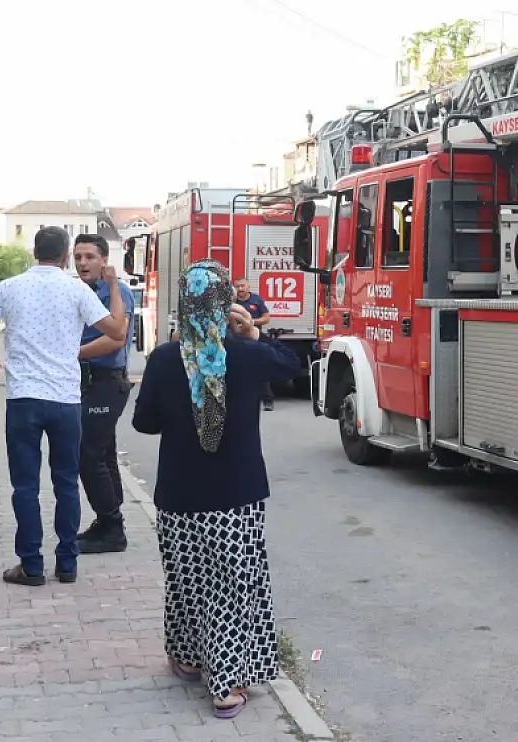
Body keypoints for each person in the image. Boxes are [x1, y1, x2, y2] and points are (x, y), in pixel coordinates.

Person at [132, 260, 301, 720]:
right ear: (227, 303)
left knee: (187, 582)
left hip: (179, 496)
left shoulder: (165, 358)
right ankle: (225, 686)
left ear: (184, 304)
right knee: (230, 586)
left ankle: (187, 658)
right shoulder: (245, 355)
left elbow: (143, 424)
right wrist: (252, 335)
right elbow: (294, 366)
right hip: (236, 496)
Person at [0, 227, 128, 587]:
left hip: (23, 400)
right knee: (66, 483)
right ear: (66, 255)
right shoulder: (77, 290)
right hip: (66, 400)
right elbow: (115, 331)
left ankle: (31, 565)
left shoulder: (9, 287)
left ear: (34, 252)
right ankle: (67, 563)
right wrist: (113, 287)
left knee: (25, 486)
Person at [71, 234, 136, 554]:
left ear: (104, 260)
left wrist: (72, 352)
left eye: (89, 257)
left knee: (88, 455)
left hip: (107, 381)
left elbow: (115, 340)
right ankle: (108, 520)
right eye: (78, 256)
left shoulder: (117, 291)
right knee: (104, 453)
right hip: (88, 382)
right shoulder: (81, 291)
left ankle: (112, 528)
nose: (83, 263)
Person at [234, 277, 274, 412]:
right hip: (236, 341)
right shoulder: (231, 302)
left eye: (242, 286)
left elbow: (266, 318)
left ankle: (268, 401)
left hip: (255, 340)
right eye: (237, 286)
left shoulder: (257, 300)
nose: (240, 289)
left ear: (248, 287)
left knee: (261, 369)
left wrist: (250, 322)